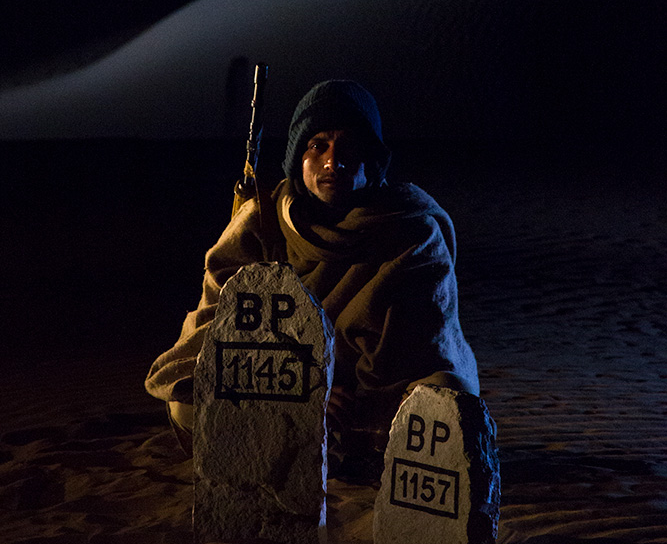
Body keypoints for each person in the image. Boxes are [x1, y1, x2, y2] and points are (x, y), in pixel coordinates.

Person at [144, 80, 479, 461]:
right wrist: (302, 387)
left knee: (444, 396)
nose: (333, 161)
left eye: (349, 146)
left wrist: (348, 398)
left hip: (366, 398)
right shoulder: (261, 224)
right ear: (297, 159)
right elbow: (214, 333)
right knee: (187, 403)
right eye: (318, 145)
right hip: (280, 385)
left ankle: (349, 448)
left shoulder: (412, 231)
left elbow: (422, 348)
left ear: (372, 160)